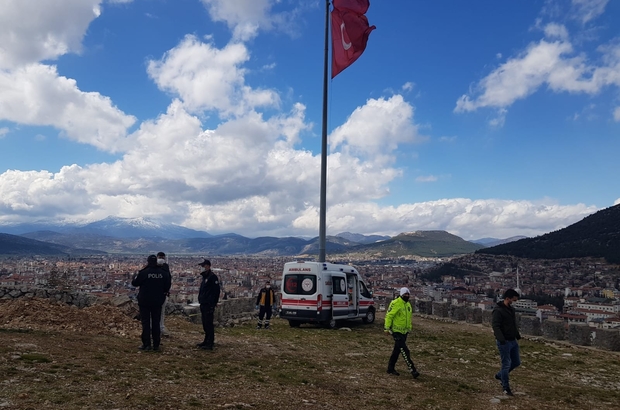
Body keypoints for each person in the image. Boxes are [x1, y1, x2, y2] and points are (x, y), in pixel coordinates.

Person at [131, 254, 171, 351]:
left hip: (144, 301)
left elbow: (135, 283)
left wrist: (134, 277)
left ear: (148, 262)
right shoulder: (163, 273)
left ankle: (147, 344)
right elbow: (167, 286)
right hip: (157, 301)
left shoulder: (144, 272)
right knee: (156, 322)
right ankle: (156, 345)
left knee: (146, 322)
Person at [384, 287, 420, 378]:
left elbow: (408, 317)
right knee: (405, 351)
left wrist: (409, 328)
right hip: (396, 331)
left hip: (404, 332)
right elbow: (389, 316)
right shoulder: (395, 303)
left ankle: (390, 369)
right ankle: (413, 370)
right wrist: (387, 328)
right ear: (401, 294)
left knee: (397, 351)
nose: (407, 296)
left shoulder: (408, 304)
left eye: (408, 294)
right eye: (405, 294)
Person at [492, 288, 522, 396]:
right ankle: (506, 387)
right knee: (506, 364)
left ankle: (500, 375)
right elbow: (496, 326)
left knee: (516, 362)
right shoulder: (498, 310)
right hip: (504, 342)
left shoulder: (511, 309)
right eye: (513, 300)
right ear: (507, 298)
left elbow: (512, 324)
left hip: (513, 340)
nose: (514, 302)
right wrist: (501, 339)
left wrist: (517, 335)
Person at [196, 258, 220, 350]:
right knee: (205, 323)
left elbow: (216, 291)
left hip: (209, 304)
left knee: (209, 323)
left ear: (208, 266)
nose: (201, 267)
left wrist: (213, 303)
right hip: (203, 303)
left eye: (203, 266)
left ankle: (210, 343)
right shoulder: (205, 277)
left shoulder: (212, 277)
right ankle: (206, 341)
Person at [157, 252, 171, 337]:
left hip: (162, 293)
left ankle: (161, 327)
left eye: (162, 257)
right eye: (160, 257)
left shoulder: (166, 267)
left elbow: (168, 280)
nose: (161, 259)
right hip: (157, 293)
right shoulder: (154, 266)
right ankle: (156, 328)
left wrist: (167, 290)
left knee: (161, 311)